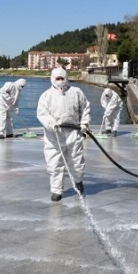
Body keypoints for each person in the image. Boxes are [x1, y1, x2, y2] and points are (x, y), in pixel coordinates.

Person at [37, 66, 90, 201]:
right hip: (54, 136)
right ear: (52, 79)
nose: (60, 81)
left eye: (62, 78)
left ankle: (78, 180)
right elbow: (42, 113)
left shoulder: (76, 92)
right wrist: (50, 124)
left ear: (66, 78)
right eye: (57, 78)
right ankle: (56, 190)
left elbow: (85, 108)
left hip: (73, 133)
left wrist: (84, 123)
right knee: (55, 164)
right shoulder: (46, 96)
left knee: (77, 161)